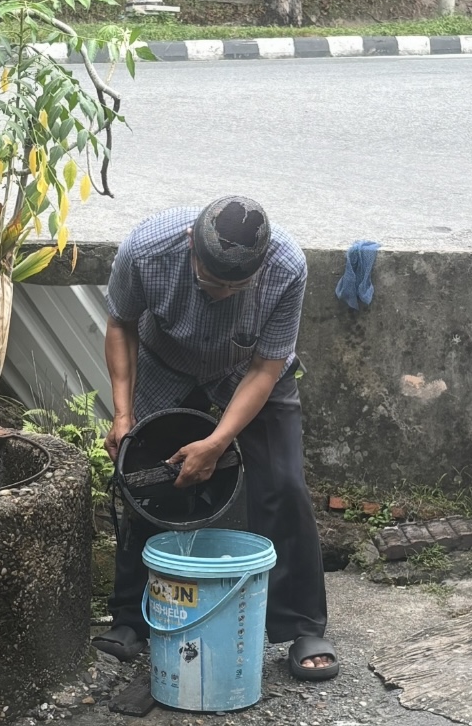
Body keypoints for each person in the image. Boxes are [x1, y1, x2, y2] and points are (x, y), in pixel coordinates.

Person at [91, 195, 338, 681]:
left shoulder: (287, 266)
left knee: (284, 485)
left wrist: (219, 440)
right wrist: (123, 414)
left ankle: (301, 623)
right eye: (212, 280)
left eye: (236, 285)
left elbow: (268, 366)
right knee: (148, 480)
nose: (223, 292)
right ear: (190, 246)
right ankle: (131, 618)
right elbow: (121, 324)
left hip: (248, 370)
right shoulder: (146, 249)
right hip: (166, 364)